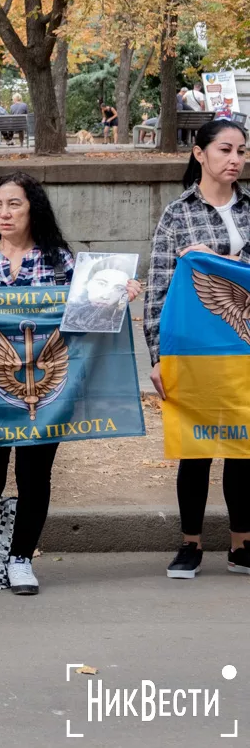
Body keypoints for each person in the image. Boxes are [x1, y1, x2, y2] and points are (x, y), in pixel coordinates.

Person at [0, 172, 138, 595]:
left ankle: (20, 560)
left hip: (49, 388)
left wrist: (120, 293)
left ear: (33, 208)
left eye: (14, 204)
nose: (4, 213)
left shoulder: (61, 262)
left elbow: (89, 315)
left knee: (36, 477)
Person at [143, 119, 250, 580]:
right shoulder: (177, 214)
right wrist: (156, 357)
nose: (236, 159)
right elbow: (158, 289)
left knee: (245, 446)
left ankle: (242, 544)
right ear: (199, 154)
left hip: (244, 343)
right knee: (196, 446)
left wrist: (224, 261)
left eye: (242, 152)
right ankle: (190, 545)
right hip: (191, 348)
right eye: (226, 149)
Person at [61, 257, 134, 332]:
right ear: (87, 284)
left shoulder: (116, 320)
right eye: (101, 284)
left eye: (119, 288)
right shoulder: (70, 312)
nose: (105, 296)